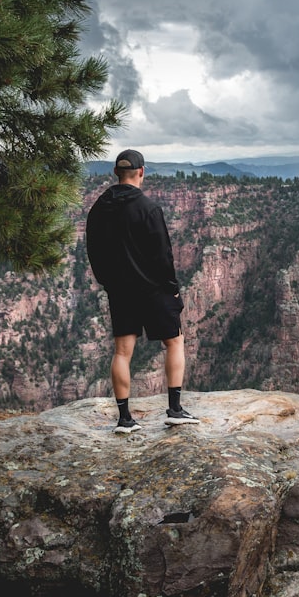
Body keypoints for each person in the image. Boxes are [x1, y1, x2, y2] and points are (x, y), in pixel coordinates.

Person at [85, 149, 199, 433]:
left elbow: (93, 250)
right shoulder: (148, 208)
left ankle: (124, 419)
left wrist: (106, 282)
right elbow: (163, 255)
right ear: (141, 172)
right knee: (174, 342)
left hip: (120, 291)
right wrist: (172, 288)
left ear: (116, 174)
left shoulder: (100, 207)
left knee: (122, 352)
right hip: (154, 289)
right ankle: (174, 409)